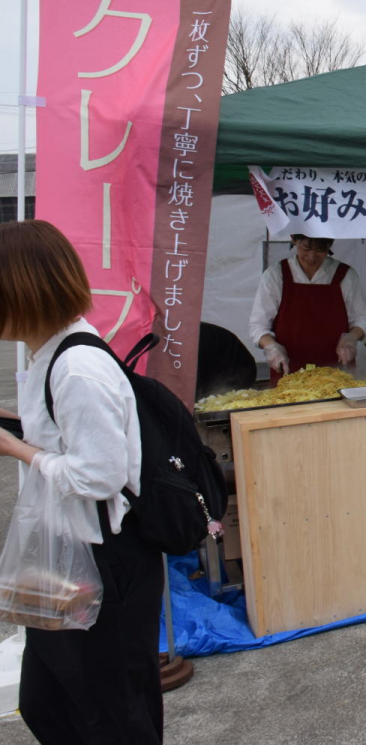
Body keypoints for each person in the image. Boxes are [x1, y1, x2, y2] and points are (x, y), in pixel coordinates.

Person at [0, 220, 164, 744]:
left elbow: (99, 474)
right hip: (68, 550)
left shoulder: (76, 368)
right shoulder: (50, 353)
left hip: (104, 559)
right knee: (48, 702)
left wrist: (17, 449)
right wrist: (18, 425)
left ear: (22, 293)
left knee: (110, 712)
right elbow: (66, 434)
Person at [249, 234, 366, 382]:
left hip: (337, 371)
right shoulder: (276, 275)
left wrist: (351, 338)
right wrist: (271, 347)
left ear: (329, 246)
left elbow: (361, 319)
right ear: (294, 241)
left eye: (320, 249)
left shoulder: (345, 275)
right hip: (288, 371)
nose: (311, 256)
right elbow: (258, 325)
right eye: (305, 248)